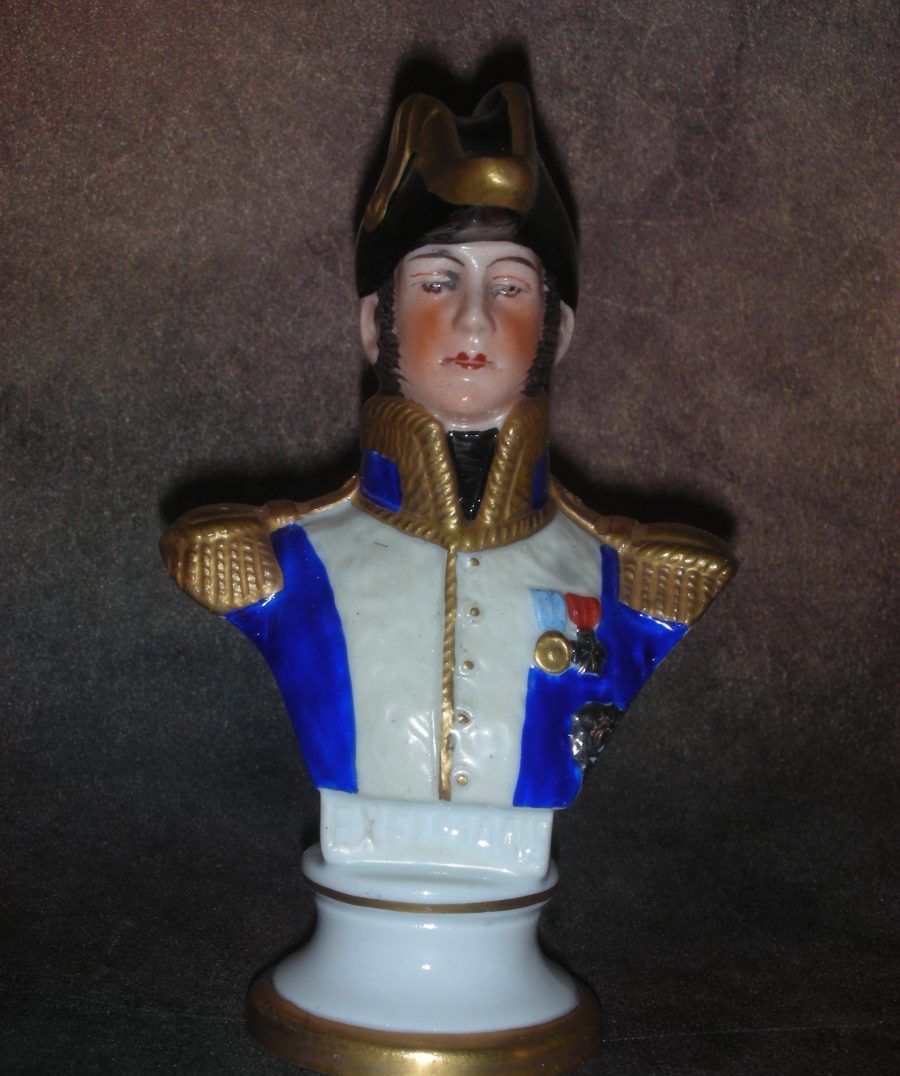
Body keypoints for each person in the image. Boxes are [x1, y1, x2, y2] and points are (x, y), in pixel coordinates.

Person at [161, 83, 735, 873]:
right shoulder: (267, 564)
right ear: (377, 324)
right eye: (438, 281)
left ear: (558, 330)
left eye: (510, 286)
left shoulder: (639, 583)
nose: (473, 319)